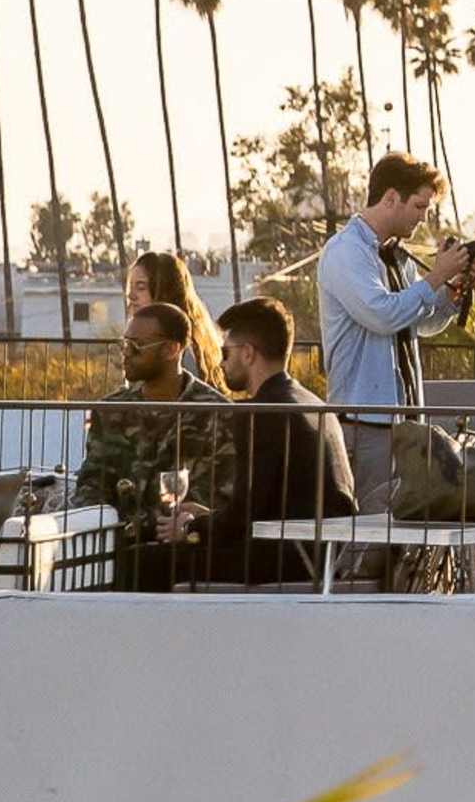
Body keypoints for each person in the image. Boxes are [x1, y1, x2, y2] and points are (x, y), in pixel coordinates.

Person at [315, 154, 475, 513]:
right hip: (365, 423)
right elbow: (381, 314)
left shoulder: (396, 255)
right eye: (419, 205)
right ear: (391, 198)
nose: (423, 216)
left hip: (404, 424)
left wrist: (450, 292)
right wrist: (436, 276)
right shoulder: (346, 252)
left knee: (402, 532)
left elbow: (417, 323)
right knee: (365, 532)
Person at [71, 300, 237, 592]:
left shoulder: (216, 413)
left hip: (180, 552)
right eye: (124, 344)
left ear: (171, 349)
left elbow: (214, 496)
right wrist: (105, 524)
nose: (126, 354)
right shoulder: (111, 410)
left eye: (136, 346)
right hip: (114, 548)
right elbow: (91, 483)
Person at [209, 294, 358, 585]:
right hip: (322, 556)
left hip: (281, 560)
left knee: (151, 558)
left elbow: (247, 513)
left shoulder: (263, 412)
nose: (220, 363)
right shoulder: (314, 404)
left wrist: (193, 525)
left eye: (225, 352)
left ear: (248, 353)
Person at [130, 250, 228, 389]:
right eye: (131, 287)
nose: (131, 296)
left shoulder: (180, 350)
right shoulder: (143, 343)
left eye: (140, 287)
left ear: (164, 291)